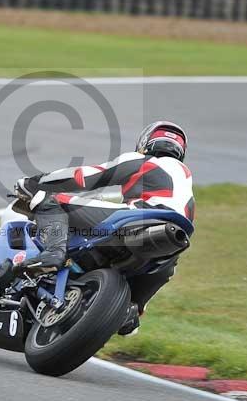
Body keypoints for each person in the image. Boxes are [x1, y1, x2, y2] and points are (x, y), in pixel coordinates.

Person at [13, 120, 195, 336]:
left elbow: (86, 176)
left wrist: (36, 182)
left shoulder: (144, 160)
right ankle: (131, 310)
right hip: (170, 247)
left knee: (51, 200)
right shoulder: (187, 187)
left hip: (135, 219)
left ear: (146, 142)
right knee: (162, 273)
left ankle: (53, 252)